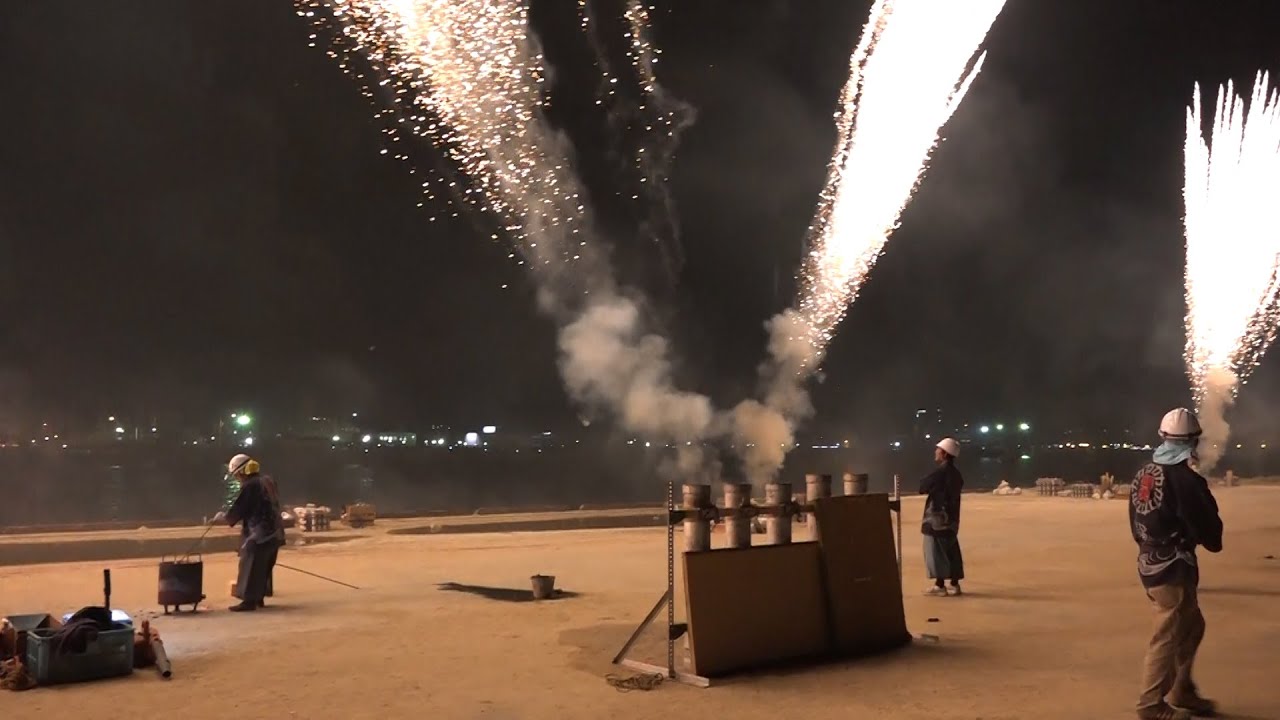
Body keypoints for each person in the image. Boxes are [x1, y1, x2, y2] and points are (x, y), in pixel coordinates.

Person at [1129, 408, 1223, 720]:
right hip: (1174, 568)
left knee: (1193, 626)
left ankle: (1182, 688)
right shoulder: (1187, 480)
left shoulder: (1143, 474)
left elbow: (1135, 523)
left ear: (1162, 438)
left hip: (1148, 561)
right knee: (1167, 634)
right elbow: (1211, 533)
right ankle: (1150, 706)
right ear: (1193, 442)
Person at [212, 453, 284, 612]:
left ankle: (249, 601)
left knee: (250, 564)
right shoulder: (267, 480)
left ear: (242, 471)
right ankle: (259, 597)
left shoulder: (250, 485)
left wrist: (224, 518)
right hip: (276, 532)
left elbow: (240, 508)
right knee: (264, 565)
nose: (237, 478)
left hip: (261, 534)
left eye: (237, 474)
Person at [919, 437, 964, 596]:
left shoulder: (940, 473)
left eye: (938, 450)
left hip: (936, 520)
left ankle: (940, 586)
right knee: (951, 551)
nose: (935, 452)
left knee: (935, 552)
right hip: (951, 520)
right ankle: (954, 584)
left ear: (944, 454)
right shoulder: (956, 474)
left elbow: (923, 486)